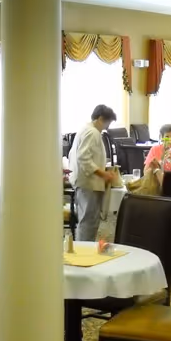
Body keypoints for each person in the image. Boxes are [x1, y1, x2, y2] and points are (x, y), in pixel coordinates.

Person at [68, 104, 117, 242]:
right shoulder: (92, 132)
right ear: (101, 119)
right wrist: (103, 174)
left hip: (84, 181)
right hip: (89, 183)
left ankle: (83, 250)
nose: (107, 127)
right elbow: (83, 158)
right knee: (88, 222)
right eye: (107, 123)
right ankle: (84, 253)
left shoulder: (85, 129)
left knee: (87, 220)